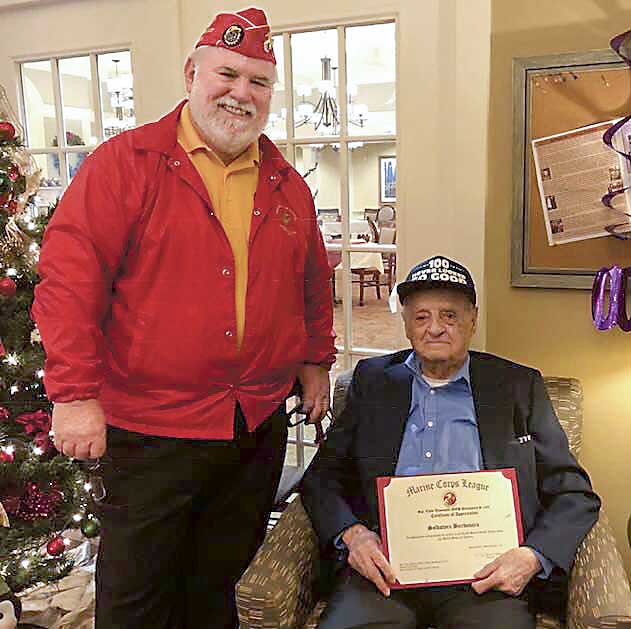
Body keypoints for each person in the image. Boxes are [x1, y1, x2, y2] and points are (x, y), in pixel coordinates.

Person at [31, 7, 335, 629]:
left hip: (250, 425)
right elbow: (68, 283)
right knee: (137, 596)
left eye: (258, 82)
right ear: (193, 72)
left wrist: (315, 359)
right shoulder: (125, 165)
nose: (240, 94)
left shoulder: (285, 182)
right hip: (151, 431)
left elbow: (312, 282)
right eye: (227, 74)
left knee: (215, 588)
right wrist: (73, 395)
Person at [301, 255, 600, 629]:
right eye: (422, 317)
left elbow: (574, 492)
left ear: (473, 320)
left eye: (450, 316)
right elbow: (321, 478)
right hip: (385, 572)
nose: (435, 328)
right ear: (407, 324)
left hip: (486, 578)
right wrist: (354, 536)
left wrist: (532, 556)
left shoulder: (517, 386)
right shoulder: (372, 382)